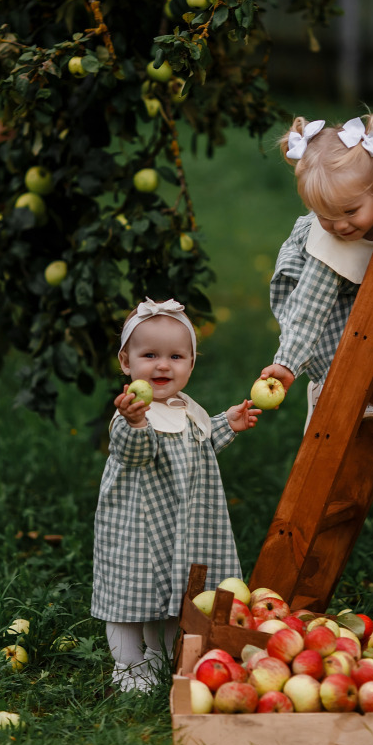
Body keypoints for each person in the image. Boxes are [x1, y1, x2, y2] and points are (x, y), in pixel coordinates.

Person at [91, 297, 260, 692]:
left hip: (182, 526)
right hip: (138, 526)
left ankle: (162, 657)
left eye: (176, 356)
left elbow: (195, 450)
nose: (163, 365)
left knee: (176, 591)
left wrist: (227, 425)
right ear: (126, 362)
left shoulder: (186, 408)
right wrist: (133, 423)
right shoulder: (134, 413)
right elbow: (134, 451)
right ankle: (128, 665)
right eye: (149, 354)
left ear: (191, 363)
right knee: (131, 595)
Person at [259, 113, 373, 427]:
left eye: (350, 211)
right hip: (308, 287)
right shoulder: (329, 247)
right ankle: (326, 389)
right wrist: (287, 364)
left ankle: (356, 386)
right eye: (325, 215)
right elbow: (308, 311)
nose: (340, 226)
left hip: (366, 273)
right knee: (339, 334)